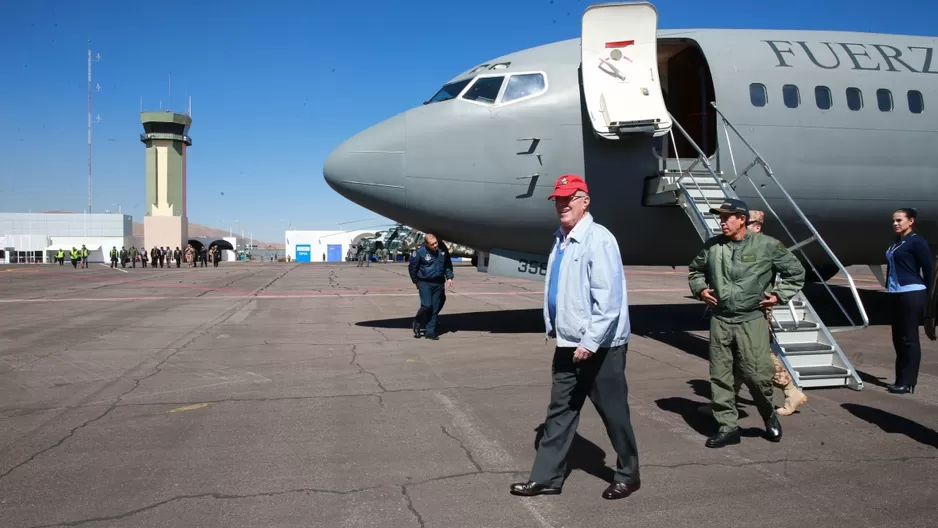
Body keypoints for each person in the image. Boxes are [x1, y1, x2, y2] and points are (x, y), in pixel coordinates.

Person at [510, 174, 640, 501]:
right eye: (558, 198)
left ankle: (629, 473)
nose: (562, 204)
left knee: (613, 414)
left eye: (570, 198)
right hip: (568, 344)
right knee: (559, 413)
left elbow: (608, 302)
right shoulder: (560, 240)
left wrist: (590, 342)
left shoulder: (599, 239)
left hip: (601, 346)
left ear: (585, 201)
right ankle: (547, 478)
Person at [688, 198, 805, 448]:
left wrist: (779, 296)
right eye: (720, 217)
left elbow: (796, 272)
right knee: (721, 375)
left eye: (726, 217)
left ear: (742, 219)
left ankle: (768, 415)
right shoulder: (713, 247)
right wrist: (700, 290)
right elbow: (695, 271)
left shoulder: (768, 246)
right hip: (721, 319)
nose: (722, 221)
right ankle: (727, 427)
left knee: (757, 374)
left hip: (751, 320)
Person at [884, 208, 932, 394]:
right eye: (894, 221)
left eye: (899, 220)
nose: (895, 223)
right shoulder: (897, 242)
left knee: (909, 338)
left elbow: (928, 269)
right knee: (898, 337)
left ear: (911, 221)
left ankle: (908, 381)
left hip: (912, 292)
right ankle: (900, 379)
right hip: (896, 292)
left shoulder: (917, 241)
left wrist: (929, 298)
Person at [408, 233, 453, 340]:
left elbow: (447, 263)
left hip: (438, 283)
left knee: (435, 307)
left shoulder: (442, 249)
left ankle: (430, 332)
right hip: (425, 283)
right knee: (427, 305)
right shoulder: (419, 252)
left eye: (436, 243)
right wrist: (416, 282)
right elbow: (412, 268)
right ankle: (417, 321)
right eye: (432, 244)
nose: (435, 246)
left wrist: (449, 277)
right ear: (427, 244)